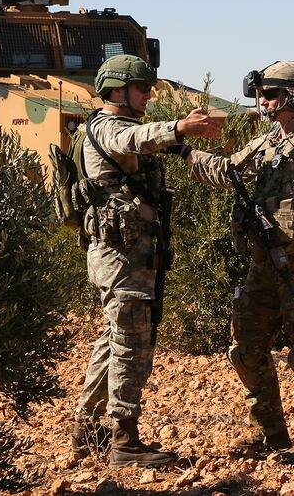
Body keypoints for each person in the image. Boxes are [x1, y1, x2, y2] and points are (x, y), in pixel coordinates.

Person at [184, 61, 294, 464]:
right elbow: (226, 171)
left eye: (271, 94)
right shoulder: (267, 144)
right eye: (261, 93)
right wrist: (182, 150)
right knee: (245, 348)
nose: (262, 100)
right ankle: (271, 433)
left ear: (293, 98)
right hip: (263, 264)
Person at [70, 54, 221, 467]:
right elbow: (134, 140)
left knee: (113, 340)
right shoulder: (106, 127)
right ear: (117, 90)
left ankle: (87, 430)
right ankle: (124, 439)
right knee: (131, 347)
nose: (148, 94)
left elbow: (145, 139)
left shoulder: (116, 126)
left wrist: (183, 138)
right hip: (122, 258)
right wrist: (178, 128)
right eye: (141, 88)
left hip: (126, 255)